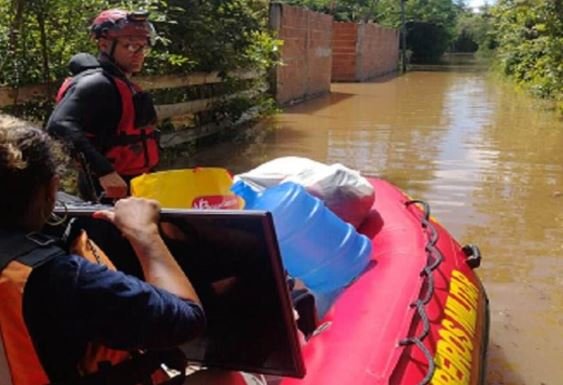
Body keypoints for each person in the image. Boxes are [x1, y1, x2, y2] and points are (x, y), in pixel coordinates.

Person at [0, 118, 205, 384]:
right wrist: (145, 235)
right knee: (223, 379)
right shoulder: (56, 276)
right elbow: (186, 320)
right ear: (52, 188)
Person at [47, 9, 160, 201]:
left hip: (133, 182)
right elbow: (59, 125)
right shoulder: (96, 83)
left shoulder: (122, 83)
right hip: (108, 188)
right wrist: (105, 172)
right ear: (104, 45)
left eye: (143, 47)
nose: (139, 54)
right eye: (130, 46)